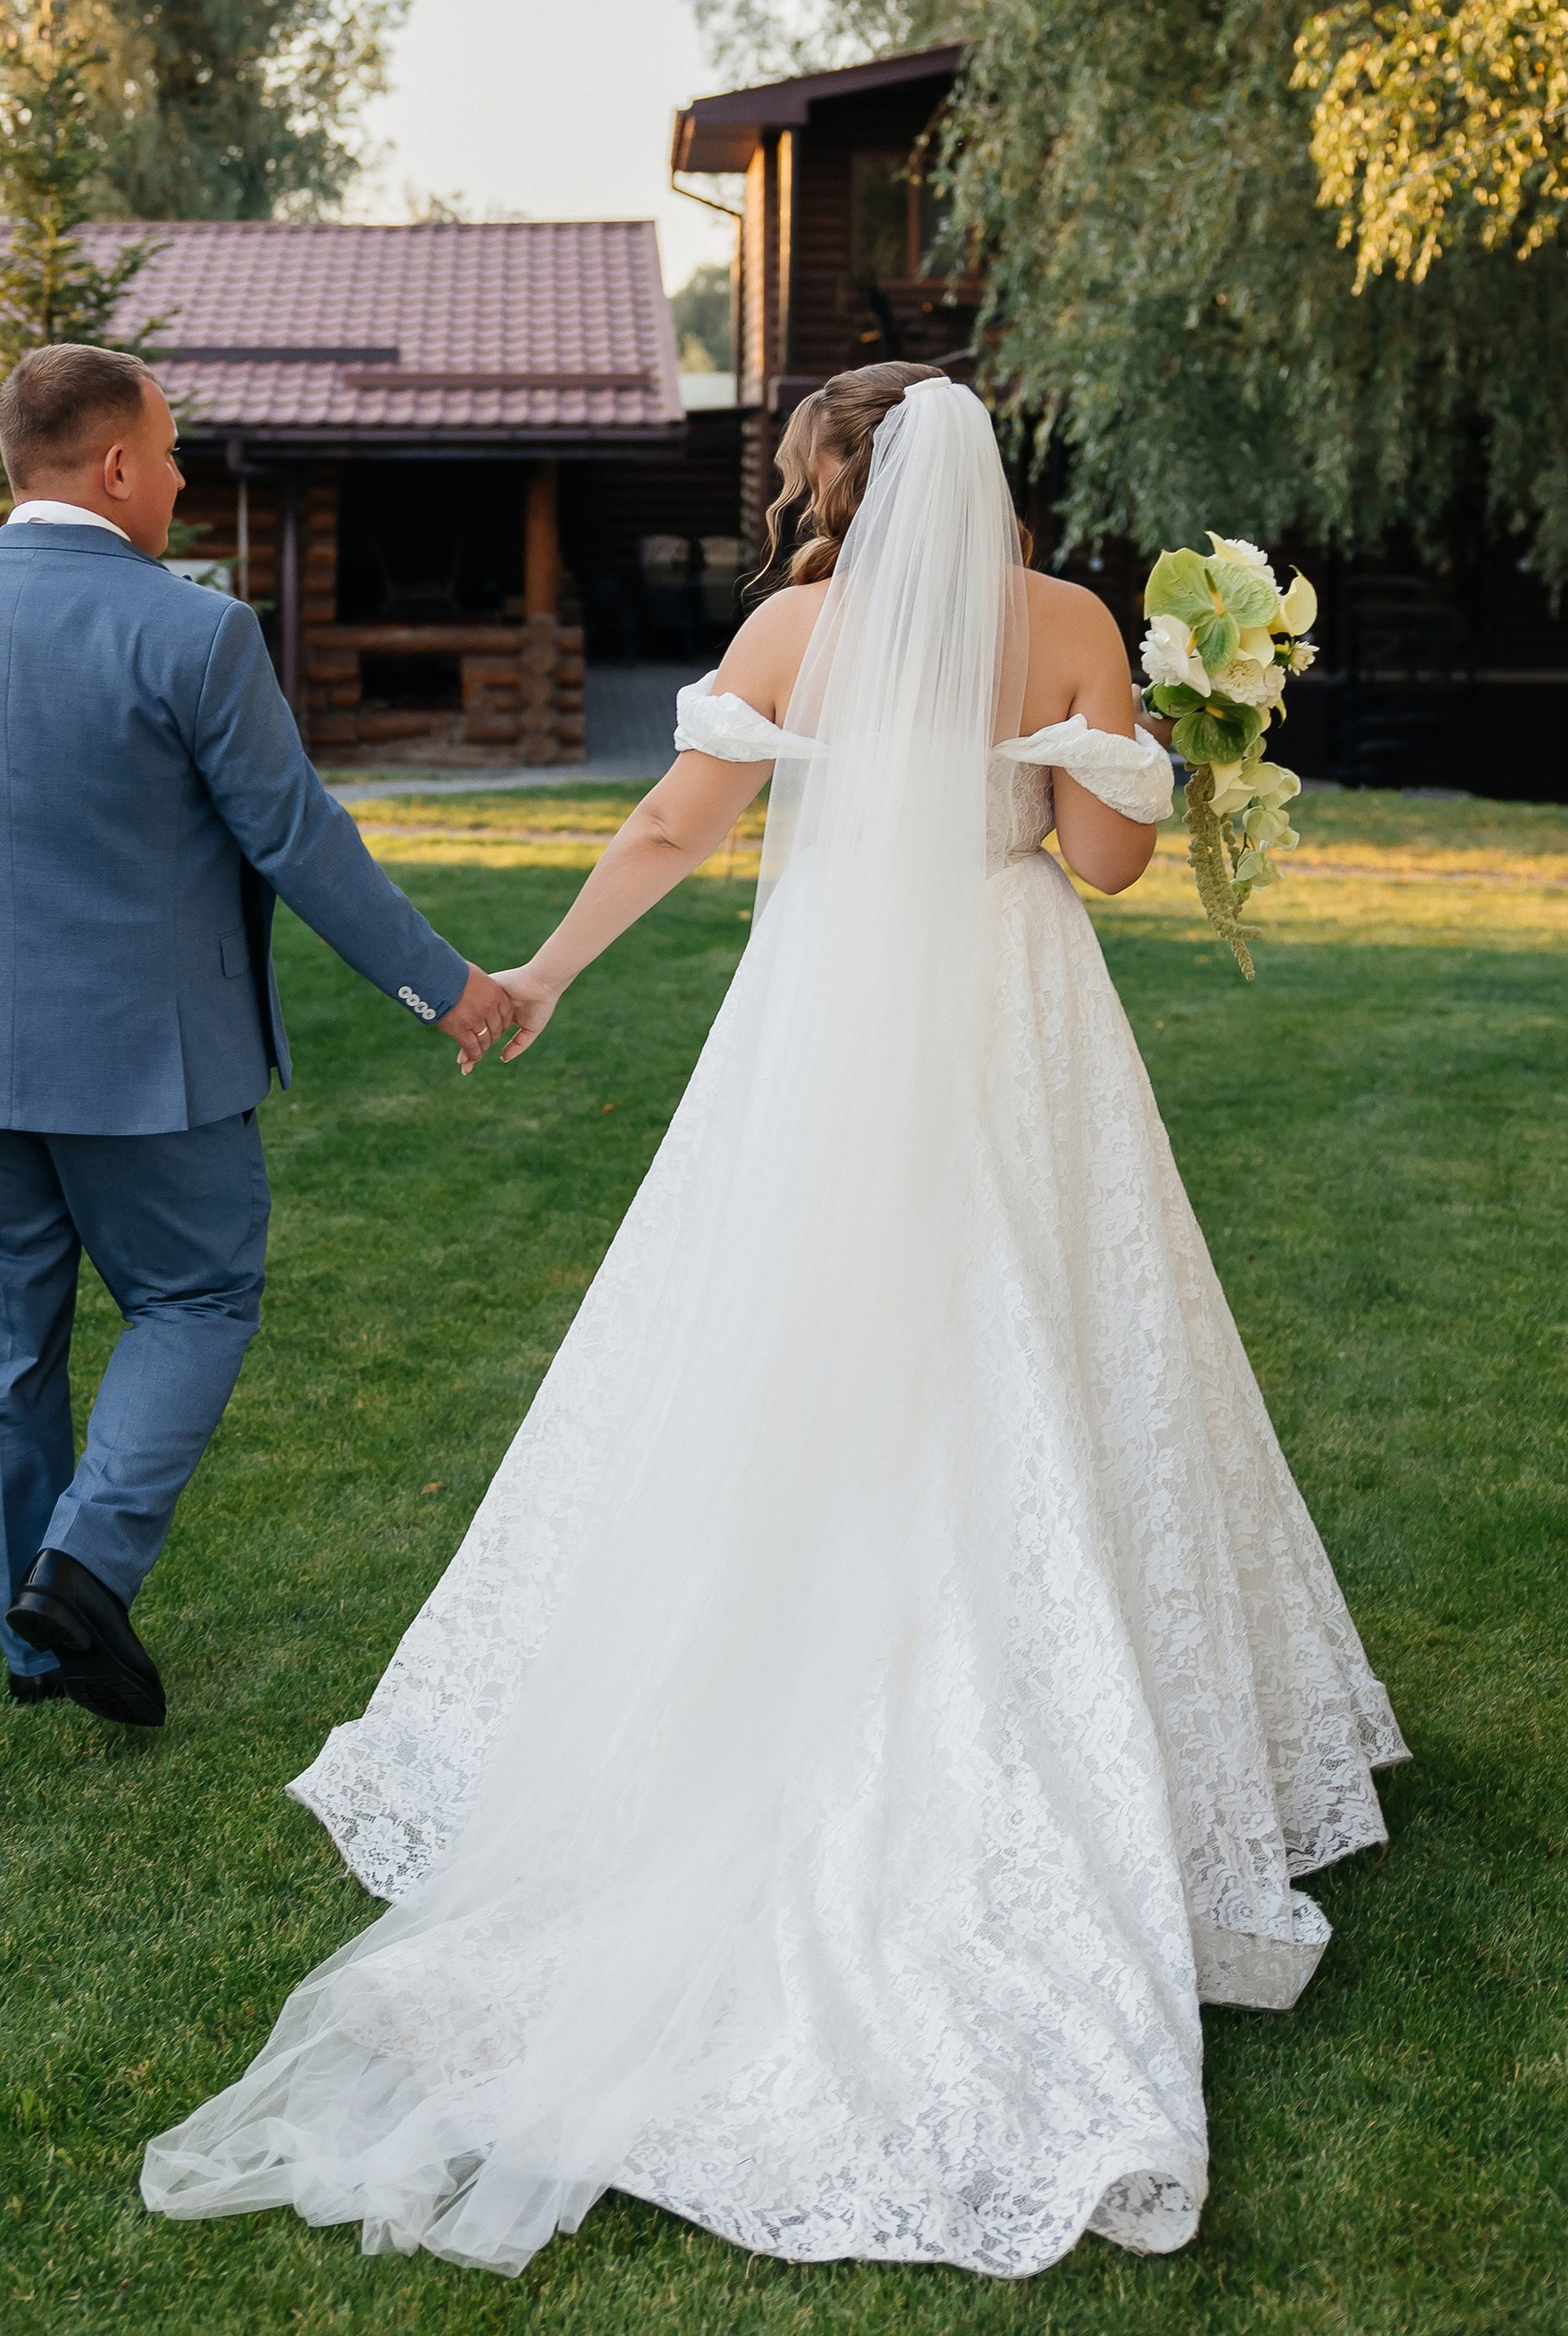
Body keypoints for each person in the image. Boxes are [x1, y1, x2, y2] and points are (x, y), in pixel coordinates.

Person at [143, 365, 1403, 2277]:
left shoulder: (788, 630)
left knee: (772, 1343)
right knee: (1057, 1353)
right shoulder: (1063, 623)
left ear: (830, 477)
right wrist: (1182, 742)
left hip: (816, 1032)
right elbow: (1103, 863)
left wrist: (543, 973)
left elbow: (668, 821)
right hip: (1013, 1024)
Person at [0, 341, 516, 1729]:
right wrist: (447, 984)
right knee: (195, 1299)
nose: (183, 477)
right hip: (150, 1067)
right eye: (173, 450)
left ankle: (38, 1649)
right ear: (116, 465)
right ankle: (79, 1572)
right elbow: (300, 838)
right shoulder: (197, 631)